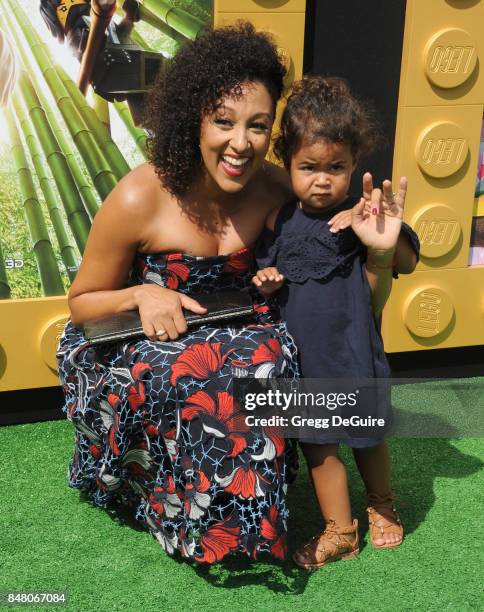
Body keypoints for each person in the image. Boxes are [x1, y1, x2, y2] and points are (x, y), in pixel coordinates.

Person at [56, 23, 300, 564]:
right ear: (194, 118)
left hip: (238, 331)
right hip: (135, 340)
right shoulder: (142, 193)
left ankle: (244, 514)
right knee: (188, 369)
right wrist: (141, 293)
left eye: (258, 126)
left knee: (266, 357)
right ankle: (172, 507)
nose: (241, 143)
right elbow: (81, 303)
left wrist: (384, 250)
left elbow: (339, 265)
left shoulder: (279, 188)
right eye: (223, 121)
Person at [252, 76, 420, 569]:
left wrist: (381, 240)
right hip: (303, 359)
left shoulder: (364, 212)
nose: (323, 179)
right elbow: (270, 277)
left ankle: (382, 504)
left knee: (367, 436)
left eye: (337, 167)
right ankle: (340, 530)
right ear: (287, 162)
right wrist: (266, 280)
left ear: (354, 164)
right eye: (309, 167)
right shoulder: (278, 222)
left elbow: (405, 258)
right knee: (319, 445)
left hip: (353, 350)